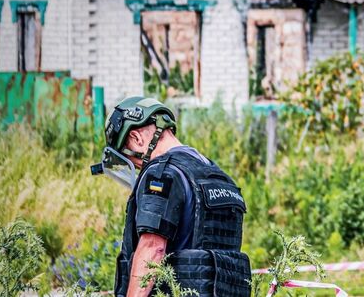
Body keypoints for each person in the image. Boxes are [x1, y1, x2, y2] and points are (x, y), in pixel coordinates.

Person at [91, 96, 251, 297]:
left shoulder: (161, 173)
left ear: (137, 138)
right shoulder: (221, 179)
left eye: (129, 157)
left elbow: (153, 248)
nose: (139, 167)